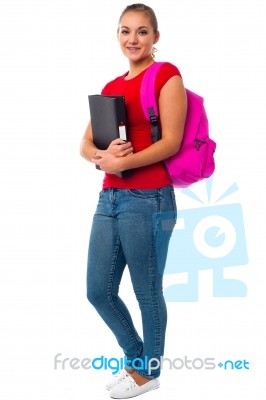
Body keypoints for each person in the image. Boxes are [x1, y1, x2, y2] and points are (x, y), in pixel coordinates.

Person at [80, 3, 187, 398]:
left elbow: (170, 142)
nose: (133, 39)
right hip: (109, 198)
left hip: (149, 198)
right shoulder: (111, 86)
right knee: (98, 291)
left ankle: (147, 372)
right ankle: (140, 361)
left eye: (142, 32)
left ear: (155, 37)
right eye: (125, 31)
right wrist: (101, 158)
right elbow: (85, 141)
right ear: (118, 36)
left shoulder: (166, 76)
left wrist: (119, 160)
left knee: (146, 290)